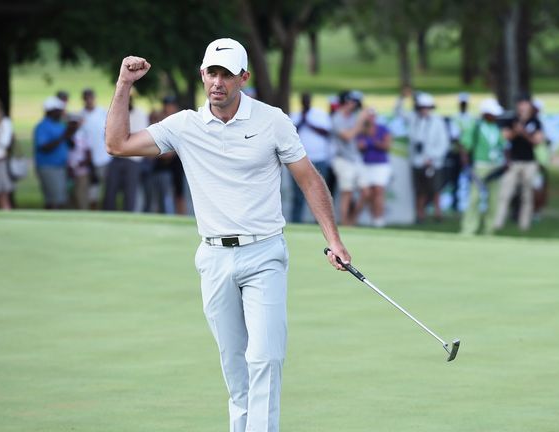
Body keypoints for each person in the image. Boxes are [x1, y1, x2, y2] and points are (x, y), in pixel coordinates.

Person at [104, 38, 351, 432]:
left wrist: (334, 240)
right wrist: (123, 85)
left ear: (243, 78)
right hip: (214, 258)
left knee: (266, 358)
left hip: (264, 253)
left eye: (227, 74)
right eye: (212, 73)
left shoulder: (272, 121)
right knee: (235, 367)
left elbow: (309, 180)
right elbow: (117, 145)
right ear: (202, 74)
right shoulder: (184, 126)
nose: (218, 82)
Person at [397, 91, 450, 223]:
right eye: (421, 108)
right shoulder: (413, 118)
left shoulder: (438, 122)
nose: (424, 110)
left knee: (436, 189)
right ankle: (420, 214)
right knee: (420, 190)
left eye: (426, 107)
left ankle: (438, 213)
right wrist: (402, 98)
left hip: (433, 162)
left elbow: (443, 143)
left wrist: (432, 157)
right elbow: (398, 112)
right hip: (417, 160)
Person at [493, 97, 543, 231]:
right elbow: (506, 136)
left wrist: (524, 132)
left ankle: (524, 225)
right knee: (505, 193)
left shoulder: (535, 121)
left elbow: (537, 141)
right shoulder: (512, 120)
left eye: (525, 104)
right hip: (513, 162)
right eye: (520, 104)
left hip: (529, 162)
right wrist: (516, 130)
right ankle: (497, 223)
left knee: (527, 195)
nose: (522, 107)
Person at [460, 98, 506, 235]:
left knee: (494, 200)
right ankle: (468, 228)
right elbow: (465, 146)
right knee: (475, 198)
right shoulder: (476, 126)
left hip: (496, 166)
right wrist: (466, 166)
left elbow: (502, 146)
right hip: (480, 166)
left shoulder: (497, 127)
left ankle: (489, 229)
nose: (495, 116)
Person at [289, 92, 332, 223]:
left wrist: (309, 123)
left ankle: (320, 222)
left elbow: (326, 132)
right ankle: (296, 221)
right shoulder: (295, 116)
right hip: (299, 161)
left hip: (319, 159)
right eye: (304, 99)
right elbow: (289, 134)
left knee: (320, 192)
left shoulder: (319, 115)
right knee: (298, 193)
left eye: (307, 99)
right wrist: (302, 122)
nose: (305, 101)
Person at [104, 95, 147, 211]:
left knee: (130, 192)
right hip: (117, 157)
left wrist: (123, 140)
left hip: (133, 159)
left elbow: (137, 137)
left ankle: (128, 218)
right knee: (110, 191)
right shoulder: (116, 114)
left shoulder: (140, 114)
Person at [330, 90, 367, 225]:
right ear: (346, 102)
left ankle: (352, 220)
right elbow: (348, 136)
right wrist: (361, 120)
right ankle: (346, 223)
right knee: (347, 192)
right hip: (342, 159)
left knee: (366, 192)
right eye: (353, 101)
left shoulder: (353, 117)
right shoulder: (336, 118)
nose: (355, 105)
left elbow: (365, 131)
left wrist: (365, 120)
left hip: (355, 158)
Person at [34, 96, 75, 210]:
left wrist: (71, 131)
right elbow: (44, 147)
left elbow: (71, 144)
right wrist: (64, 135)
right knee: (54, 201)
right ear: (50, 111)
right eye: (58, 110)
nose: (61, 112)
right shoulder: (42, 126)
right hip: (48, 167)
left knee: (60, 199)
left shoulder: (60, 124)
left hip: (61, 167)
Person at [357, 108, 392, 227]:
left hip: (380, 164)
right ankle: (373, 217)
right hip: (366, 164)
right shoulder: (362, 129)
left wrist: (371, 143)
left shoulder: (382, 129)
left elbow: (386, 145)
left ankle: (379, 220)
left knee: (378, 191)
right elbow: (360, 146)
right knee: (368, 193)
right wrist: (376, 143)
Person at [79, 88, 109, 209]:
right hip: (88, 159)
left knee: (106, 188)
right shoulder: (81, 115)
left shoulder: (102, 112)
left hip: (104, 157)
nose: (89, 100)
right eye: (87, 98)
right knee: (92, 190)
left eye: (91, 97)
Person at [65, 113, 92, 210]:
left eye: (74, 123)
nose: (72, 125)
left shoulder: (83, 135)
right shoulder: (66, 135)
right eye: (71, 123)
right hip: (67, 171)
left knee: (81, 196)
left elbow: (88, 156)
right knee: (69, 197)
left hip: (81, 172)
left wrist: (76, 166)